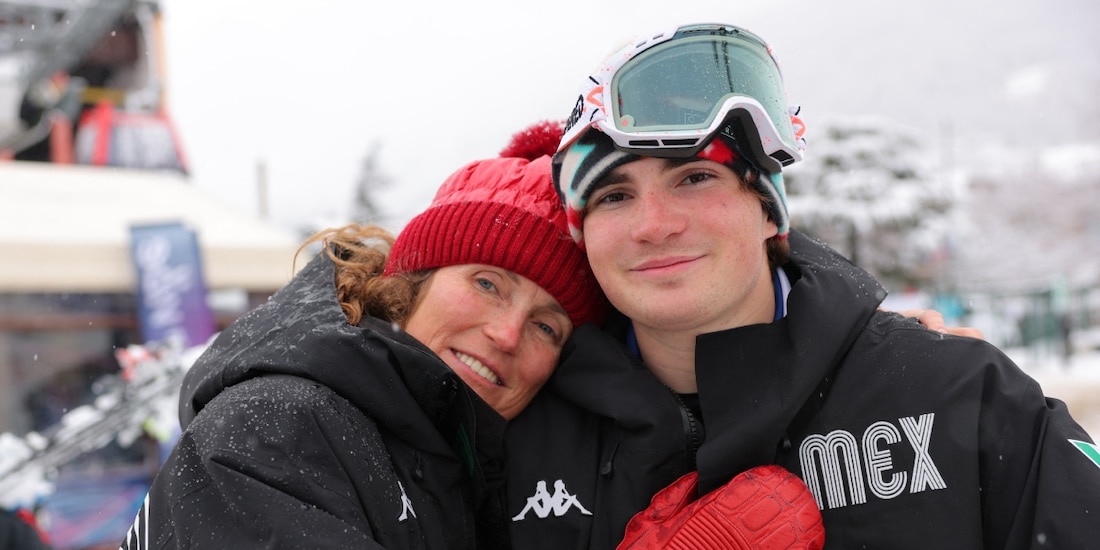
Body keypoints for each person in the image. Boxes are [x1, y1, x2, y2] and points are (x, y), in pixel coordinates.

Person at [504, 22, 1100, 549]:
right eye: (614, 196)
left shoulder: (959, 395)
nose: (654, 226)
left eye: (694, 178)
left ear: (768, 212)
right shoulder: (517, 435)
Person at [117, 149, 610, 548]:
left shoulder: (473, 467)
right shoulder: (277, 426)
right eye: (487, 284)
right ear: (410, 283)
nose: (508, 334)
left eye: (546, 327)